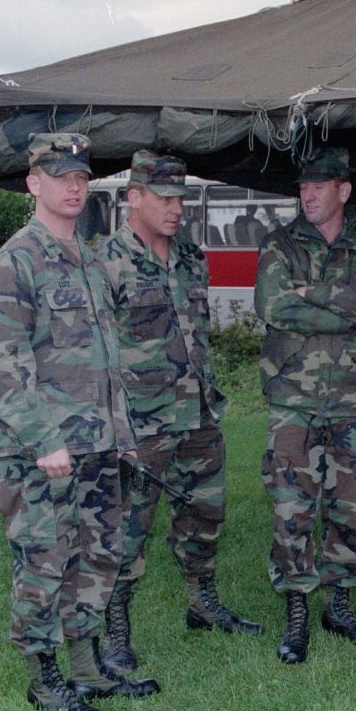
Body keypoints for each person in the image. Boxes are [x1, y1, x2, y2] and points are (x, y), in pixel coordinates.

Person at [0, 132, 159, 711]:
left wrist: (124, 435)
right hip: (44, 452)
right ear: (34, 183)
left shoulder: (90, 257)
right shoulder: (16, 260)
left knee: (96, 556)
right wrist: (45, 440)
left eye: (82, 176)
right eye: (61, 176)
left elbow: (107, 361)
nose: (75, 186)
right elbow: (6, 365)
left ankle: (86, 669)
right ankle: (43, 677)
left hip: (99, 444)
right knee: (44, 560)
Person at [96, 150, 263, 680]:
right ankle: (116, 631)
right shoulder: (105, 262)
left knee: (207, 513)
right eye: (164, 198)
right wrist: (112, 425)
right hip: (141, 423)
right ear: (134, 197)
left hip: (198, 412)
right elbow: (97, 352)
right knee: (129, 528)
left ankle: (202, 603)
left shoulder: (191, 256)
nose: (176, 208)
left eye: (181, 199)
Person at [254, 147, 356, 664]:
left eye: (318, 186)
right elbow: (274, 306)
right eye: (302, 187)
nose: (307, 195)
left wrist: (309, 293)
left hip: (355, 401)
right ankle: (296, 611)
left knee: (349, 510)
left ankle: (339, 605)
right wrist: (345, 300)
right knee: (291, 507)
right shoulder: (279, 243)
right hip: (293, 399)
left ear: (344, 190)